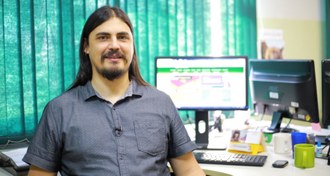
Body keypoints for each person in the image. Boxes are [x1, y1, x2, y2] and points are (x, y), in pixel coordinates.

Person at [23, 5, 205, 176]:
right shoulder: (58, 110)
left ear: (132, 45)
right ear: (86, 46)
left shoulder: (161, 103)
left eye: (122, 37)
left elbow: (188, 169)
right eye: (103, 37)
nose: (114, 45)